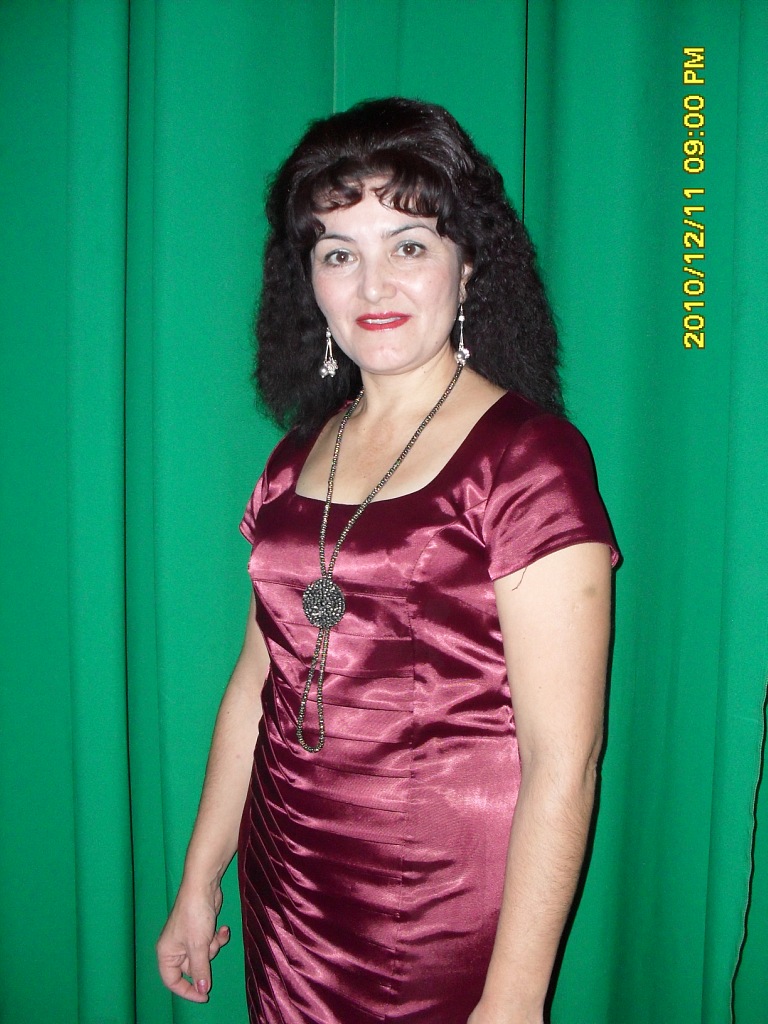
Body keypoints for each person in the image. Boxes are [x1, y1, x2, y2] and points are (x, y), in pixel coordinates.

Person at [156, 97, 619, 1024]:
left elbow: (563, 759)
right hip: (290, 883)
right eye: (339, 254)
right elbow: (258, 682)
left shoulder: (528, 460)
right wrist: (201, 877)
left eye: (408, 245)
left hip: (439, 908)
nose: (374, 286)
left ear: (467, 262)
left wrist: (515, 999)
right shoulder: (296, 456)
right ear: (309, 281)